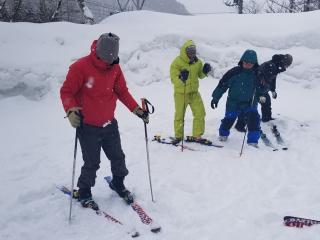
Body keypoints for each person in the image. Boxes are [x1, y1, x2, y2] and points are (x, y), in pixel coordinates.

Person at [60, 33, 149, 209]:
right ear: (99, 53)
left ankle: (118, 183)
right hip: (87, 125)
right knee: (92, 162)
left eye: (113, 59)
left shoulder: (115, 67)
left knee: (118, 157)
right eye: (107, 59)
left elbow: (122, 91)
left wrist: (136, 109)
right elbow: (67, 92)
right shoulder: (80, 67)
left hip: (109, 123)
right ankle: (84, 191)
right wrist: (70, 110)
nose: (110, 63)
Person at [211, 49, 264, 146]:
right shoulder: (233, 72)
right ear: (242, 61)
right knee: (229, 120)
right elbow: (222, 85)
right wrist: (215, 98)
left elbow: (261, 89)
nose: (248, 64)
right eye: (246, 62)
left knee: (254, 120)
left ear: (254, 63)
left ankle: (253, 141)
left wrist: (263, 90)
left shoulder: (257, 74)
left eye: (251, 63)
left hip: (250, 103)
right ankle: (223, 134)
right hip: (233, 103)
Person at [234, 53, 293, 131]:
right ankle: (239, 126)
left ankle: (266, 118)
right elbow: (259, 78)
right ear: (283, 62)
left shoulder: (276, 65)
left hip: (262, 88)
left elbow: (272, 79)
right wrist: (261, 94)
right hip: (254, 88)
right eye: (287, 65)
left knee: (267, 102)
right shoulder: (270, 66)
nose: (287, 67)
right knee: (250, 106)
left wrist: (273, 90)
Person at [170, 40, 212, 144]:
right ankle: (178, 136)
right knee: (180, 115)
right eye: (189, 51)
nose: (192, 54)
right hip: (181, 93)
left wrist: (205, 71)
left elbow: (200, 75)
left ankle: (197, 135)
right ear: (185, 51)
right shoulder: (177, 62)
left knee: (200, 113)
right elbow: (174, 79)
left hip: (194, 92)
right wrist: (181, 77)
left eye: (193, 51)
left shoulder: (197, 62)